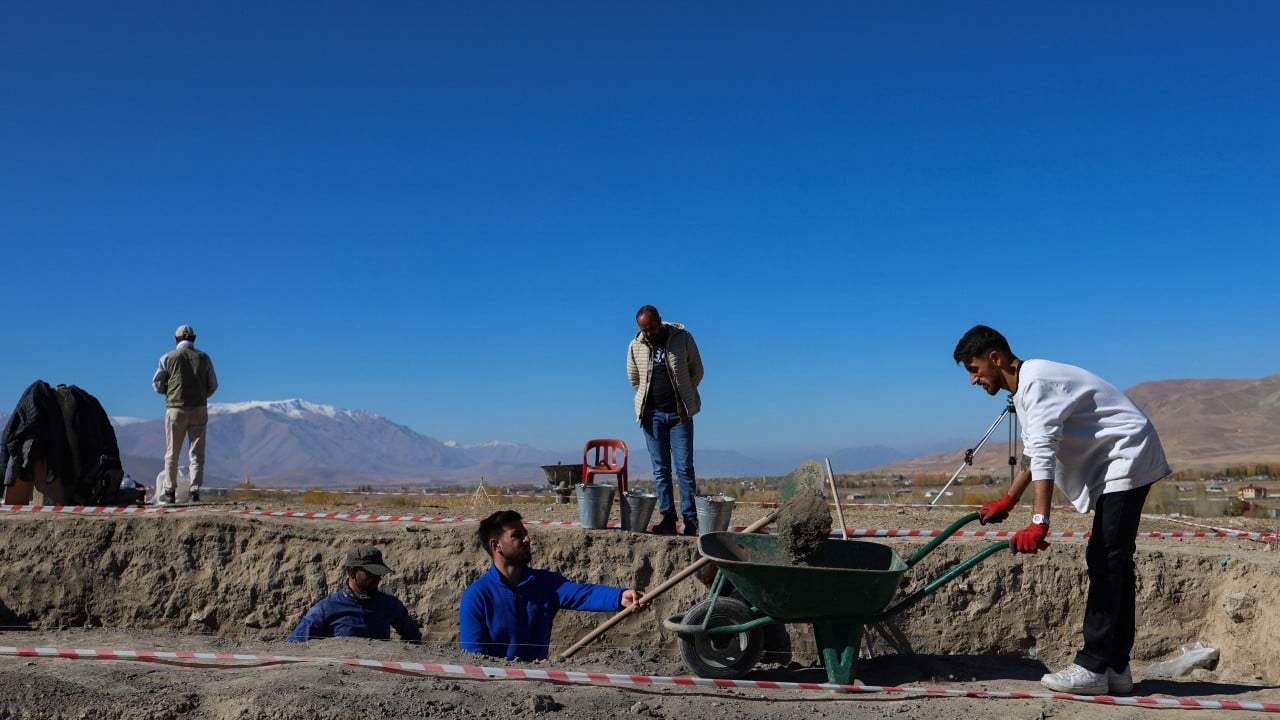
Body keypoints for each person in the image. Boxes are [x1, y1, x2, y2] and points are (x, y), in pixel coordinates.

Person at [953, 325, 1171, 696]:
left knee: (1105, 557)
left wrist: (1040, 522)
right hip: (1118, 459)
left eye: (975, 369)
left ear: (996, 358)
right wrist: (1009, 499)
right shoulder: (1026, 388)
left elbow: (1046, 453)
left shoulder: (1036, 383)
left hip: (1126, 454)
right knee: (1114, 559)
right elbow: (1032, 452)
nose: (973, 380)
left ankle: (1093, 666)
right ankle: (1116, 668)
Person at [459, 510, 647, 661]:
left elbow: (583, 594)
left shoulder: (545, 583)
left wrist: (620, 597)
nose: (527, 539)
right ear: (496, 545)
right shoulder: (477, 596)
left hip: (541, 686)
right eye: (517, 535)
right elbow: (475, 659)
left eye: (525, 533)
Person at [626, 305, 704, 535]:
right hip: (653, 416)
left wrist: (684, 392)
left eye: (651, 327)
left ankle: (691, 521)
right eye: (644, 329)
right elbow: (634, 379)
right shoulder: (635, 346)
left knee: (684, 469)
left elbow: (696, 371)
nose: (648, 332)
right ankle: (668, 518)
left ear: (660, 320)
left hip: (680, 414)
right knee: (660, 470)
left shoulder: (682, 338)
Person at [287, 546, 422, 642]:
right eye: (370, 573)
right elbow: (295, 645)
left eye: (379, 573)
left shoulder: (390, 605)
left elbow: (414, 638)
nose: (377, 579)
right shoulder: (324, 609)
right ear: (352, 572)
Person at [151, 324, 218, 504]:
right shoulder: (204, 358)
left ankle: (169, 492)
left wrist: (170, 391)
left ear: (176, 339)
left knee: (172, 451)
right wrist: (202, 396)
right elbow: (213, 385)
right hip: (199, 409)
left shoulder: (167, 357)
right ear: (194, 339)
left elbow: (156, 385)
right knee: (196, 453)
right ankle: (194, 492)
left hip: (175, 409)